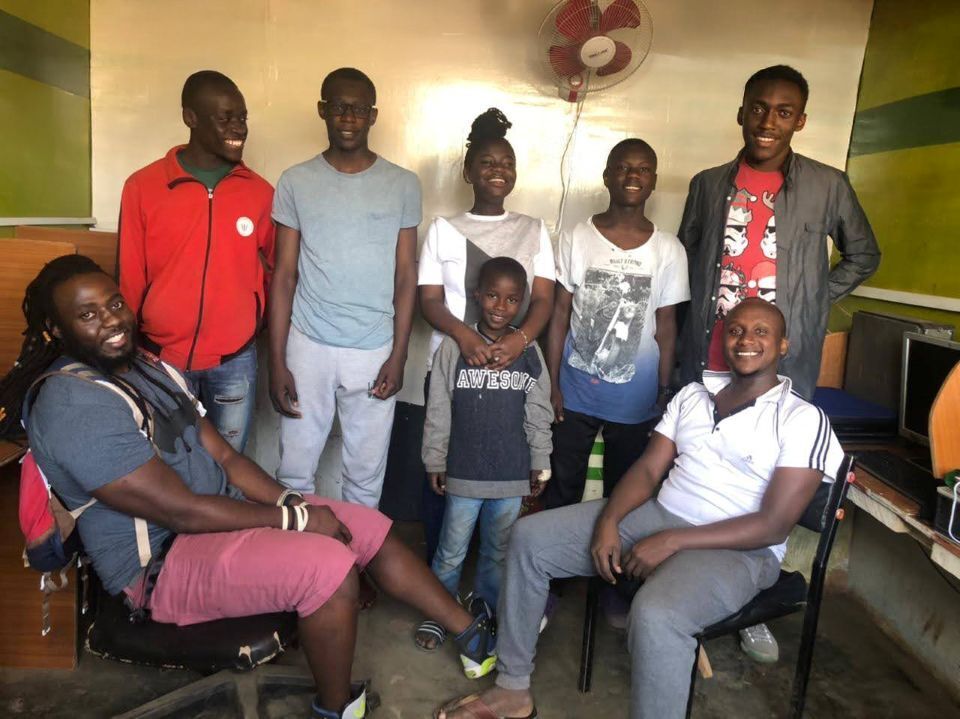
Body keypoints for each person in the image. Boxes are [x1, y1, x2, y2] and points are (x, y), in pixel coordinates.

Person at [13, 256, 496, 719]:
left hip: (218, 513)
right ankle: (336, 708)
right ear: (55, 329)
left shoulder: (144, 367)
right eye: (87, 315)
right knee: (329, 569)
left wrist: (290, 500)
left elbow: (224, 457)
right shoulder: (72, 404)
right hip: (161, 564)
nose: (112, 320)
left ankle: (471, 633)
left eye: (114, 303)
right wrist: (298, 520)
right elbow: (181, 512)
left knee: (365, 526)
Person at [435, 298, 845, 719]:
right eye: (737, 330)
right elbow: (649, 469)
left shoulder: (801, 418)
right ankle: (512, 689)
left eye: (761, 332)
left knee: (656, 614)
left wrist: (671, 541)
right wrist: (610, 520)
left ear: (783, 345)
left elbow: (773, 525)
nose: (746, 341)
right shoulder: (694, 395)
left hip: (740, 550)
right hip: (659, 516)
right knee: (529, 538)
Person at [677, 64, 879, 662]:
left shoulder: (828, 185)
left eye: (784, 112)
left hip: (780, 367)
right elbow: (686, 256)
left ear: (801, 121)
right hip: (710, 357)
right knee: (700, 471)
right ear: (741, 112)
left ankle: (751, 599)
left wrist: (812, 302)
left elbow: (864, 254)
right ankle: (688, 589)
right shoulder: (707, 184)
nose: (769, 121)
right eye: (759, 108)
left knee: (770, 479)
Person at [269, 67, 420, 507]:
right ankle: (299, 549)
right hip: (307, 346)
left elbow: (406, 275)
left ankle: (357, 549)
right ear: (323, 110)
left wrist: (399, 354)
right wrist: (277, 361)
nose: (348, 117)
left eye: (358, 109)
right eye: (339, 107)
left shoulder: (403, 184)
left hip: (374, 348)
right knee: (295, 469)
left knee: (365, 474)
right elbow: (284, 274)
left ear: (373, 116)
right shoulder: (295, 181)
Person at [417, 107, 556, 565]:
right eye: (488, 162)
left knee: (503, 486)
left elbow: (543, 300)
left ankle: (488, 584)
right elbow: (429, 301)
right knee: (445, 483)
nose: (498, 170)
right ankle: (441, 580)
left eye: (507, 163)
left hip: (513, 376)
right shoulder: (443, 229)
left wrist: (520, 340)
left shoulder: (533, 230)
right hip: (455, 369)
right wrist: (465, 337)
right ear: (468, 170)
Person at [118, 70, 274, 452]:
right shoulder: (143, 186)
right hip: (160, 358)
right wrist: (128, 352)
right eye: (225, 118)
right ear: (191, 118)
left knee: (230, 465)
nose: (239, 127)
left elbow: (278, 269)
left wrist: (257, 321)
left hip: (235, 360)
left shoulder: (260, 193)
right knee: (169, 465)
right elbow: (129, 275)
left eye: (243, 117)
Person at [415, 258, 553, 651]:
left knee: (497, 552)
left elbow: (538, 410)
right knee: (450, 550)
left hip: (511, 475)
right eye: (492, 295)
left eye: (511, 299)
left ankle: (486, 608)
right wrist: (435, 459)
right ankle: (439, 612)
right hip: (464, 472)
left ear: (522, 302)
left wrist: (540, 461)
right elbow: (438, 408)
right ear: (477, 295)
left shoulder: (529, 352)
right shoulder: (454, 348)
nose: (500, 307)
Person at [545, 138, 689, 511]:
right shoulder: (577, 237)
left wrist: (663, 390)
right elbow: (559, 314)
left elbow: (667, 327)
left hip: (636, 398)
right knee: (562, 489)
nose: (632, 176)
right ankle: (558, 549)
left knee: (621, 495)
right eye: (623, 167)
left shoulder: (668, 249)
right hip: (574, 393)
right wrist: (553, 383)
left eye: (643, 169)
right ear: (607, 176)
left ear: (653, 180)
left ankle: (606, 553)